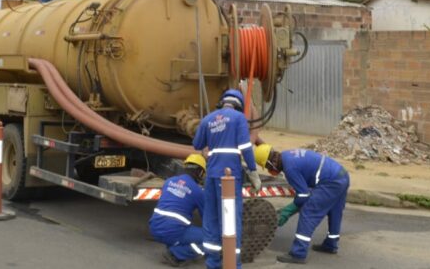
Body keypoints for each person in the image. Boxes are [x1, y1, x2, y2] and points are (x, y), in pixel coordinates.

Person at [193, 88, 261, 269]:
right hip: (230, 177)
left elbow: (197, 144)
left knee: (211, 218)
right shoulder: (239, 118)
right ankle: (233, 263)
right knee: (231, 219)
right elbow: (246, 147)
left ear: (222, 102)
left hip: (212, 175)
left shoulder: (208, 119)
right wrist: (253, 172)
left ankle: (212, 262)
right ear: (238, 105)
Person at [254, 144, 349, 264]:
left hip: (331, 182)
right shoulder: (288, 155)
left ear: (270, 162)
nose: (269, 170)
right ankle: (331, 244)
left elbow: (303, 196)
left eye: (267, 167)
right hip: (342, 175)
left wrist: (287, 212)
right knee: (335, 211)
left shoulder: (289, 168)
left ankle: (298, 253)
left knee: (308, 212)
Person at [149, 154, 207, 267]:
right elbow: (207, 218)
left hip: (154, 227)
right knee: (211, 240)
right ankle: (176, 253)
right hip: (173, 231)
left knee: (179, 227)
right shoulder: (198, 191)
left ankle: (174, 245)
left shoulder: (169, 181)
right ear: (200, 172)